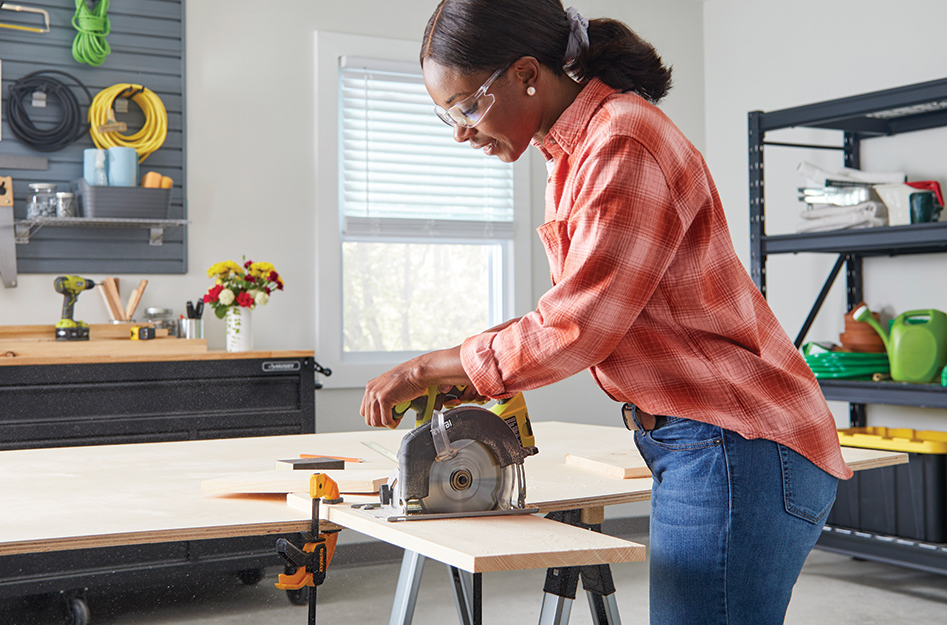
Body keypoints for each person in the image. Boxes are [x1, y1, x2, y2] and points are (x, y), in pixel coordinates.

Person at [360, 1, 852, 623]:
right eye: (446, 114)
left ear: (526, 74)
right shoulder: (574, 150)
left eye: (466, 106)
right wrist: (473, 368)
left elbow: (578, 328)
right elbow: (579, 309)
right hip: (707, 444)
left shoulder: (622, 139)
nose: (460, 130)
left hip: (735, 443)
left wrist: (433, 367)